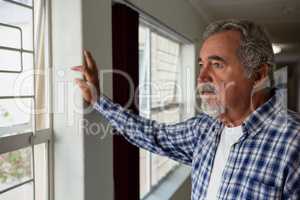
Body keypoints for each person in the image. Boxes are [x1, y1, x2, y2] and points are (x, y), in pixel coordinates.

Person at [72, 19, 300, 200]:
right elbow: (151, 135)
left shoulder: (294, 143)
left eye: (217, 64)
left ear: (258, 75)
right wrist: (98, 100)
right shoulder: (205, 129)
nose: (201, 77)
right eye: (202, 64)